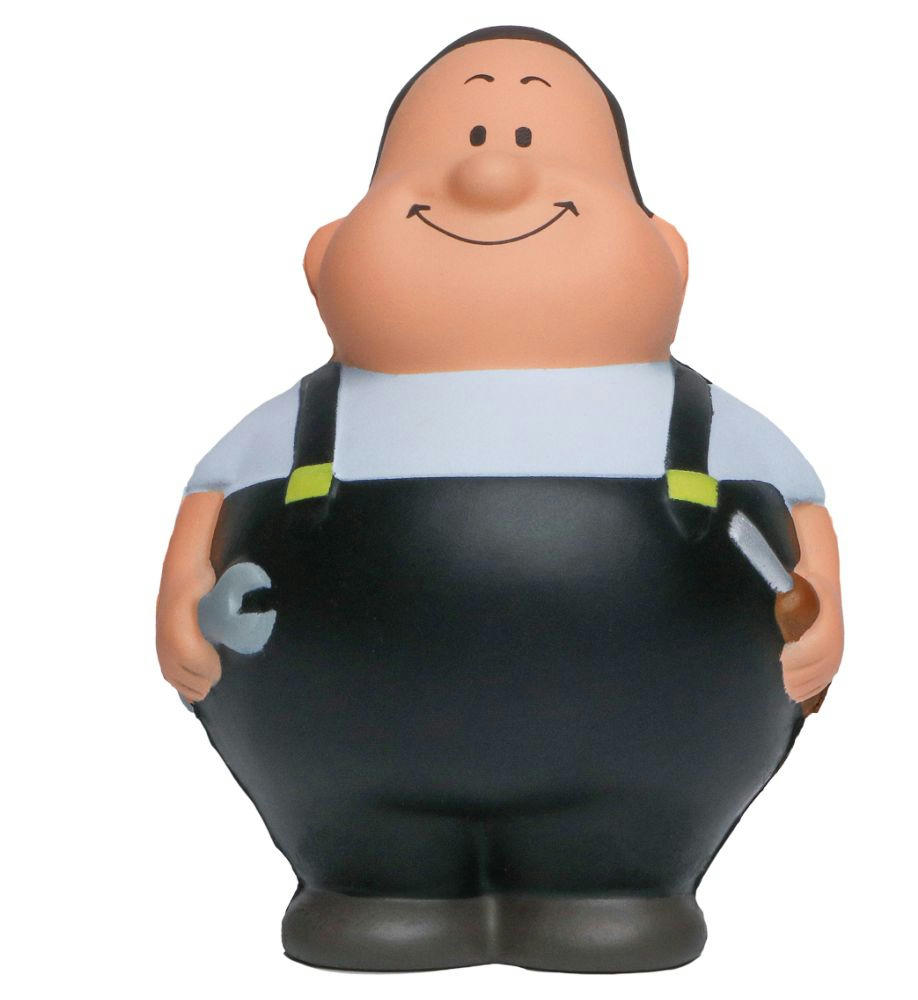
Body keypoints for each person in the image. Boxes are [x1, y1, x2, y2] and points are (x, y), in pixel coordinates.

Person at [157, 26, 844, 973]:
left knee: (619, 857)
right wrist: (179, 608)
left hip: (652, 762)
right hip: (341, 758)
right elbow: (206, 505)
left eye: (531, 142)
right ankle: (372, 880)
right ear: (324, 258)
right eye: (464, 141)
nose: (490, 177)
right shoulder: (296, 426)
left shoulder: (711, 424)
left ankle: (618, 881)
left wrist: (824, 614)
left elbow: (804, 514)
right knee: (372, 858)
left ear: (667, 257)